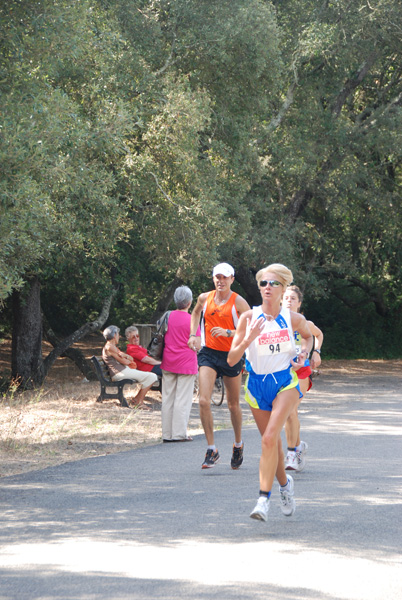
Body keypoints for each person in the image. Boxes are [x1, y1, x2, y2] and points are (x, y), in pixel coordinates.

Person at [227, 264, 313, 522]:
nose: (267, 287)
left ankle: (263, 500)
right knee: (271, 442)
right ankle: (285, 486)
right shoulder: (248, 318)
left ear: (283, 288)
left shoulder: (293, 318)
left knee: (268, 440)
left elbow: (309, 337)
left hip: (285, 383)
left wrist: (304, 353)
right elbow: (232, 359)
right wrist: (248, 338)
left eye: (273, 283)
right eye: (263, 283)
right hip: (256, 386)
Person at [188, 263, 250, 469]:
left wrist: (230, 333)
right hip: (209, 353)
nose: (220, 281)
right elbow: (195, 313)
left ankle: (238, 444)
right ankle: (211, 449)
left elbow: (252, 327)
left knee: (233, 404)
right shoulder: (204, 298)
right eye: (217, 277)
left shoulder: (239, 302)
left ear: (232, 279)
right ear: (213, 278)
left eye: (225, 277)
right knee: (203, 400)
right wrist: (193, 335)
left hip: (232, 355)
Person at [282, 285, 323, 472]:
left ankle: (292, 453)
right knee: (287, 414)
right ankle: (298, 447)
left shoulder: (303, 322)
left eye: (292, 298)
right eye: (286, 298)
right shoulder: (276, 320)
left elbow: (318, 334)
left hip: (301, 371)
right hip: (282, 370)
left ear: (299, 303)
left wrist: (316, 352)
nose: (288, 301)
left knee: (291, 411)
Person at [160, 286, 200, 442]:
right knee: (182, 399)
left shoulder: (167, 316)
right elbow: (197, 344)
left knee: (168, 398)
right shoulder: (192, 320)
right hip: (186, 362)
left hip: (168, 360)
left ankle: (166, 434)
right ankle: (178, 434)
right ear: (190, 302)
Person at [102, 325, 158, 409]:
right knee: (152, 376)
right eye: (118, 334)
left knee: (151, 376)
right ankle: (139, 402)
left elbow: (129, 358)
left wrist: (127, 358)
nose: (119, 336)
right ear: (114, 335)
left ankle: (136, 400)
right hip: (119, 373)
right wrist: (127, 359)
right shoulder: (110, 347)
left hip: (123, 370)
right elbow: (125, 361)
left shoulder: (113, 347)